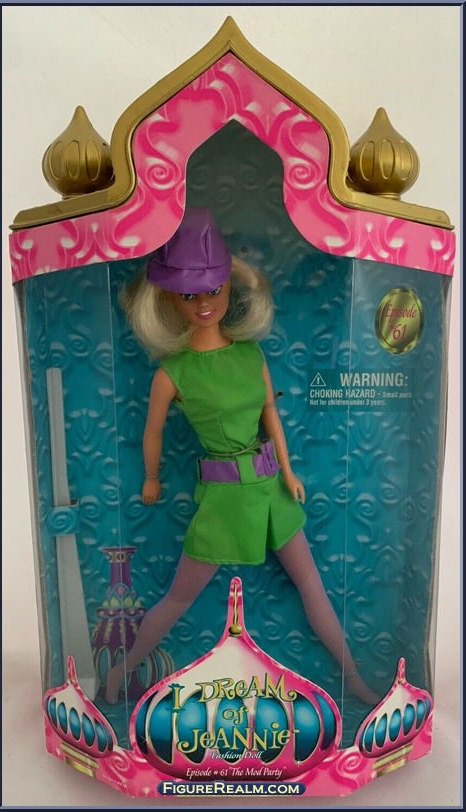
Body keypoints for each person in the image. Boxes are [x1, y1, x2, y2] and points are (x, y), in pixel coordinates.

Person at [106, 207, 379, 706]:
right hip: (225, 500)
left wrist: (289, 471)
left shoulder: (251, 354)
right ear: (171, 298)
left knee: (312, 584)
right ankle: (122, 669)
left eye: (214, 289)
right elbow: (153, 432)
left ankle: (354, 677)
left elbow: (270, 412)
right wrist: (151, 476)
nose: (203, 303)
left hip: (271, 489)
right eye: (189, 294)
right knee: (179, 597)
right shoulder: (173, 372)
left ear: (231, 285)